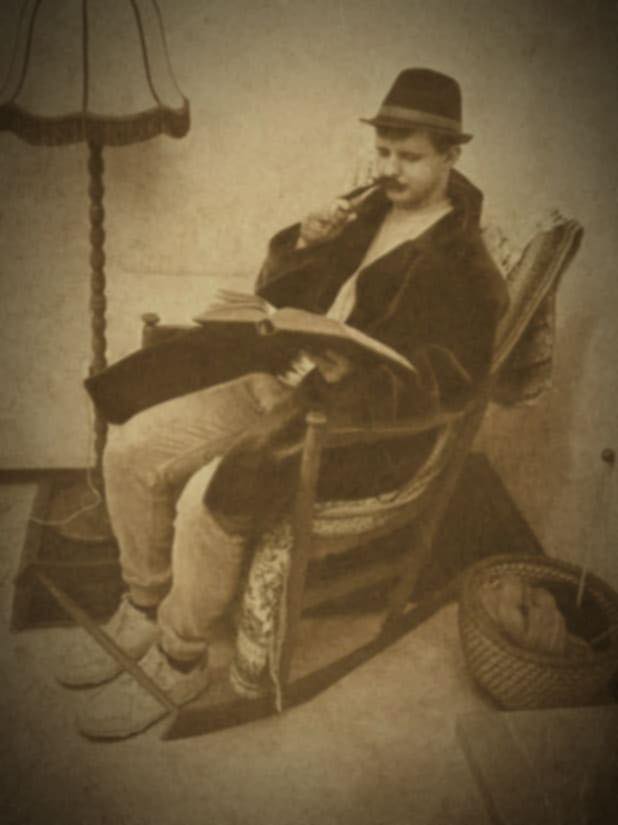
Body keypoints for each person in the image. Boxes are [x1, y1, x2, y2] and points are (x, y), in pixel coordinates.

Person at [58, 68, 508, 739]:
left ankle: (181, 659)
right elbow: (279, 296)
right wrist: (306, 241)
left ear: (451, 156)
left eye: (409, 157)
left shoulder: (464, 263)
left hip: (344, 427)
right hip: (280, 381)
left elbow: (451, 381)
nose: (389, 168)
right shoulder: (366, 211)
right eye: (382, 151)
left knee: (206, 497)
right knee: (131, 448)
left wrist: (354, 375)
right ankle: (144, 603)